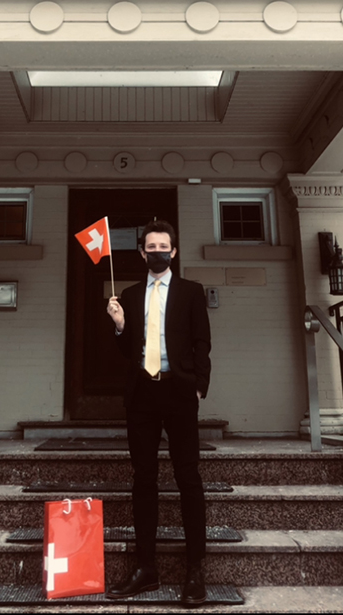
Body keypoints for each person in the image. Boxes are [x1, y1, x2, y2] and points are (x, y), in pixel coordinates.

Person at [105, 219, 211, 606]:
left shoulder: (191, 292)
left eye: (163, 246)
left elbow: (203, 341)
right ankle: (146, 568)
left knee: (188, 477)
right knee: (144, 478)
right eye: (150, 247)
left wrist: (199, 385)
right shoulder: (131, 295)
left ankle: (195, 569)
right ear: (142, 253)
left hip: (180, 391)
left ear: (173, 252)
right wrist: (119, 327)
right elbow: (126, 350)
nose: (157, 252)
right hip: (142, 395)